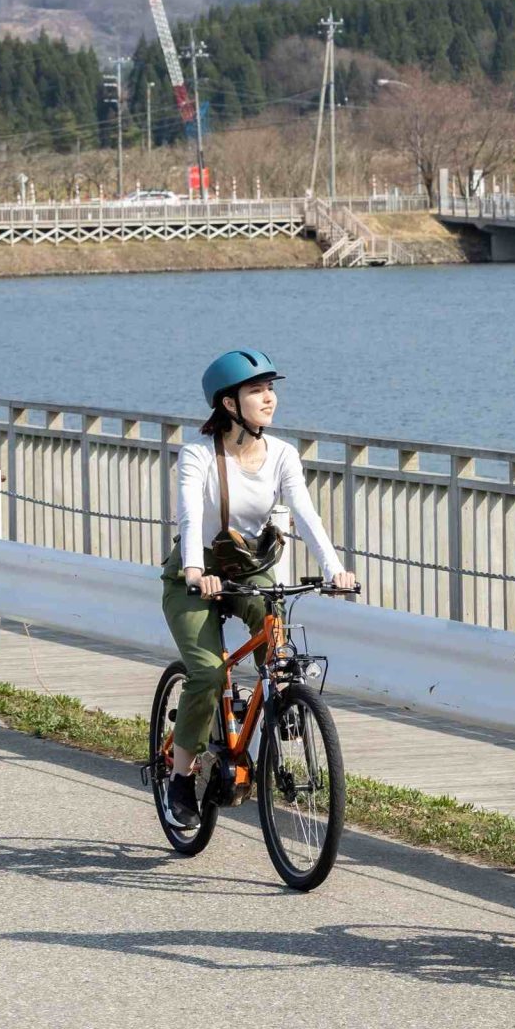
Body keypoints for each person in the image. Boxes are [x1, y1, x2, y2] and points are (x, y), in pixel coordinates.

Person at [162, 349, 359, 824]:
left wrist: (335, 568)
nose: (269, 398)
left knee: (278, 646)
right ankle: (182, 780)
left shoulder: (283, 455)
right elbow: (190, 516)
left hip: (248, 567)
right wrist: (194, 570)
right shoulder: (197, 455)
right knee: (207, 674)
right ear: (230, 404)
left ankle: (281, 702)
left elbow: (307, 515)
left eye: (271, 388)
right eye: (257, 390)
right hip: (196, 573)